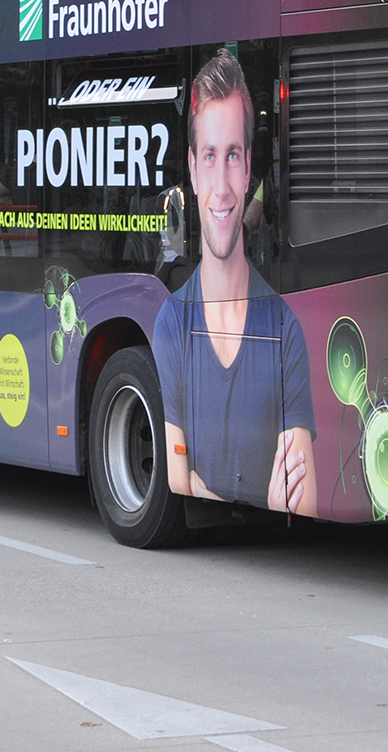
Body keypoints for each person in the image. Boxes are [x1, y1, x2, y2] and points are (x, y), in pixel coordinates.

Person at [153, 49, 317, 515]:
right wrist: (262, 501)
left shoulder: (284, 330)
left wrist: (207, 487)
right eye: (209, 156)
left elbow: (301, 499)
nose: (222, 186)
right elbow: (176, 477)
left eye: (233, 156)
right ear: (192, 168)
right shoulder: (173, 323)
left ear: (248, 170)